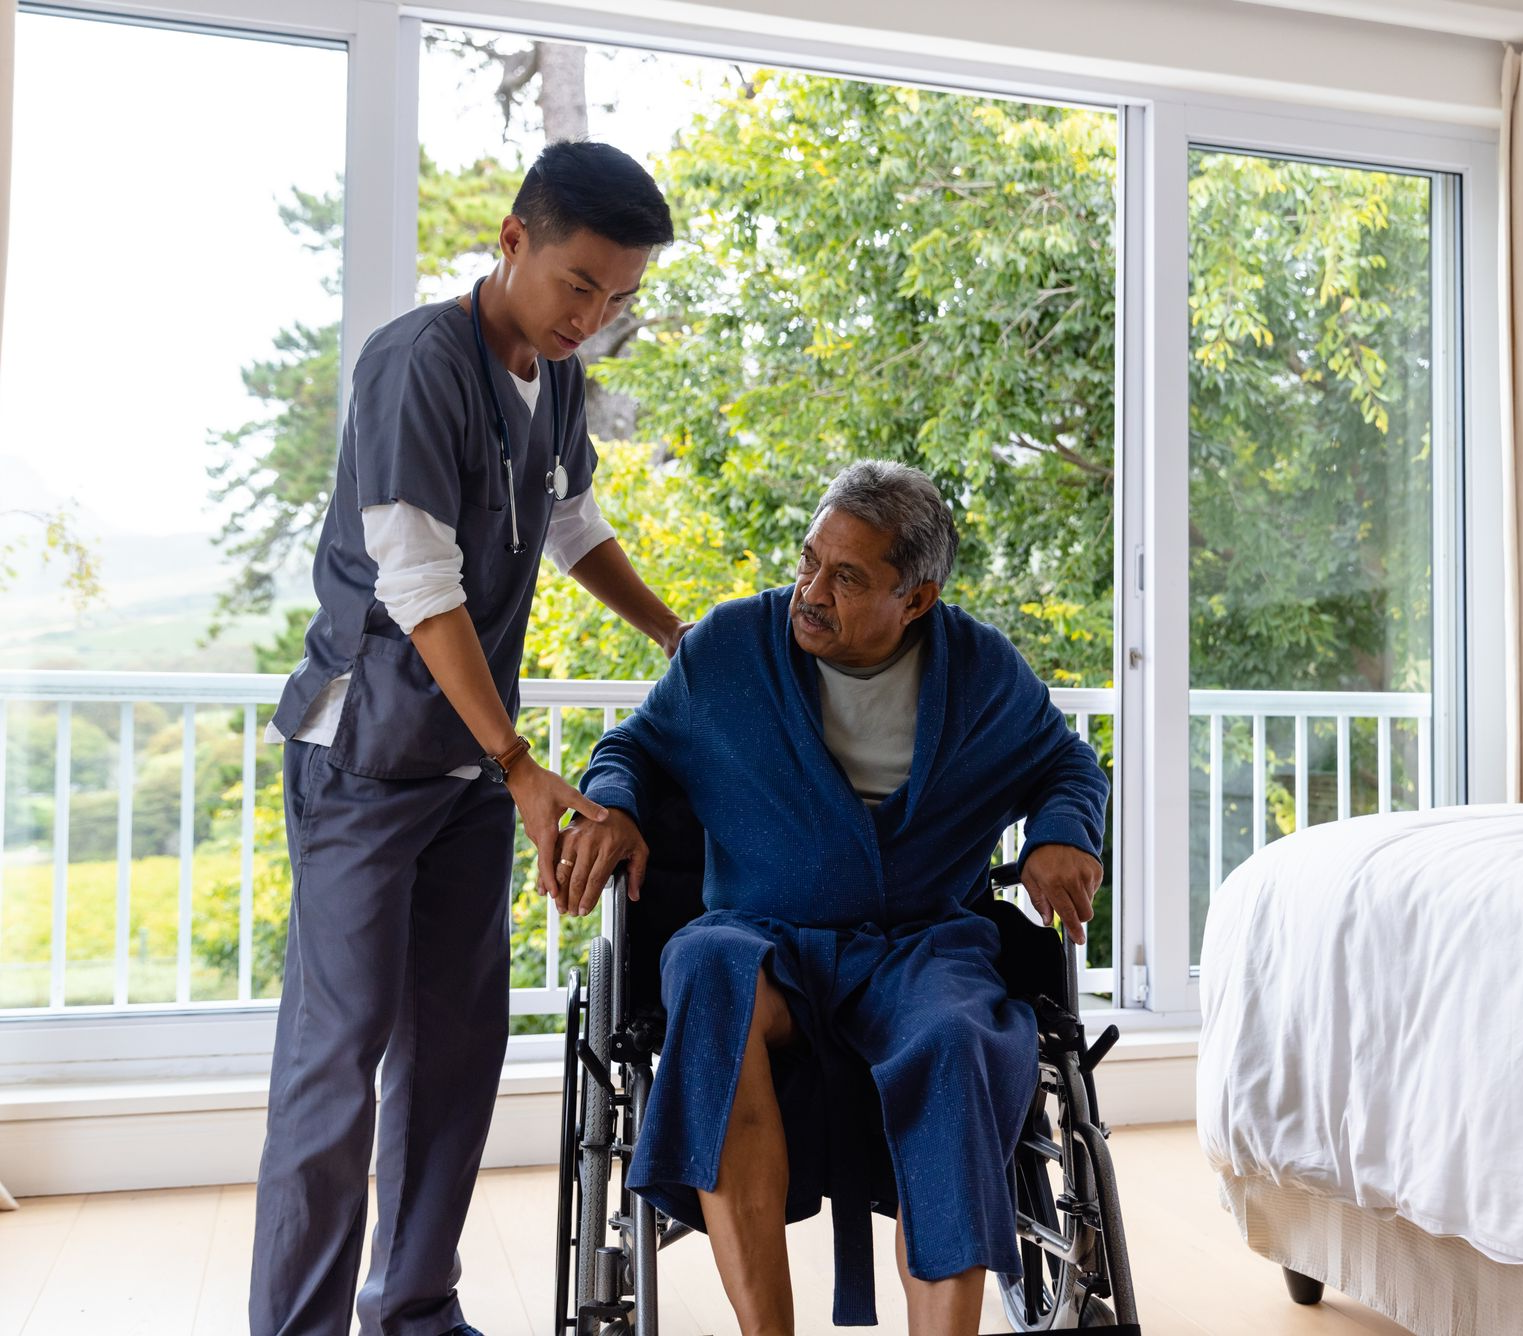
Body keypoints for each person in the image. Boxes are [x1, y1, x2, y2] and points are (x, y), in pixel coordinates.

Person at [248, 140, 689, 1336]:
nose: (593, 317)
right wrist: (520, 766)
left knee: (455, 1052)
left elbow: (571, 522)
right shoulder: (415, 364)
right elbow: (420, 582)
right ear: (513, 240)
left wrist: (673, 632)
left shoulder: (556, 383)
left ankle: (414, 1308)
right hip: (368, 759)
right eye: (579, 285)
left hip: (466, 774)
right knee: (338, 1065)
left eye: (619, 299)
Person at [563, 460, 1109, 1335]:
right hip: (762, 937)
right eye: (809, 560)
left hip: (925, 946)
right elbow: (635, 748)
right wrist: (617, 807)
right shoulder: (731, 649)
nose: (809, 591)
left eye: (847, 577)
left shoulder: (978, 671)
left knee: (961, 1038)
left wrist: (1064, 832)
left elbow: (1067, 763)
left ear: (917, 599)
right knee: (707, 971)